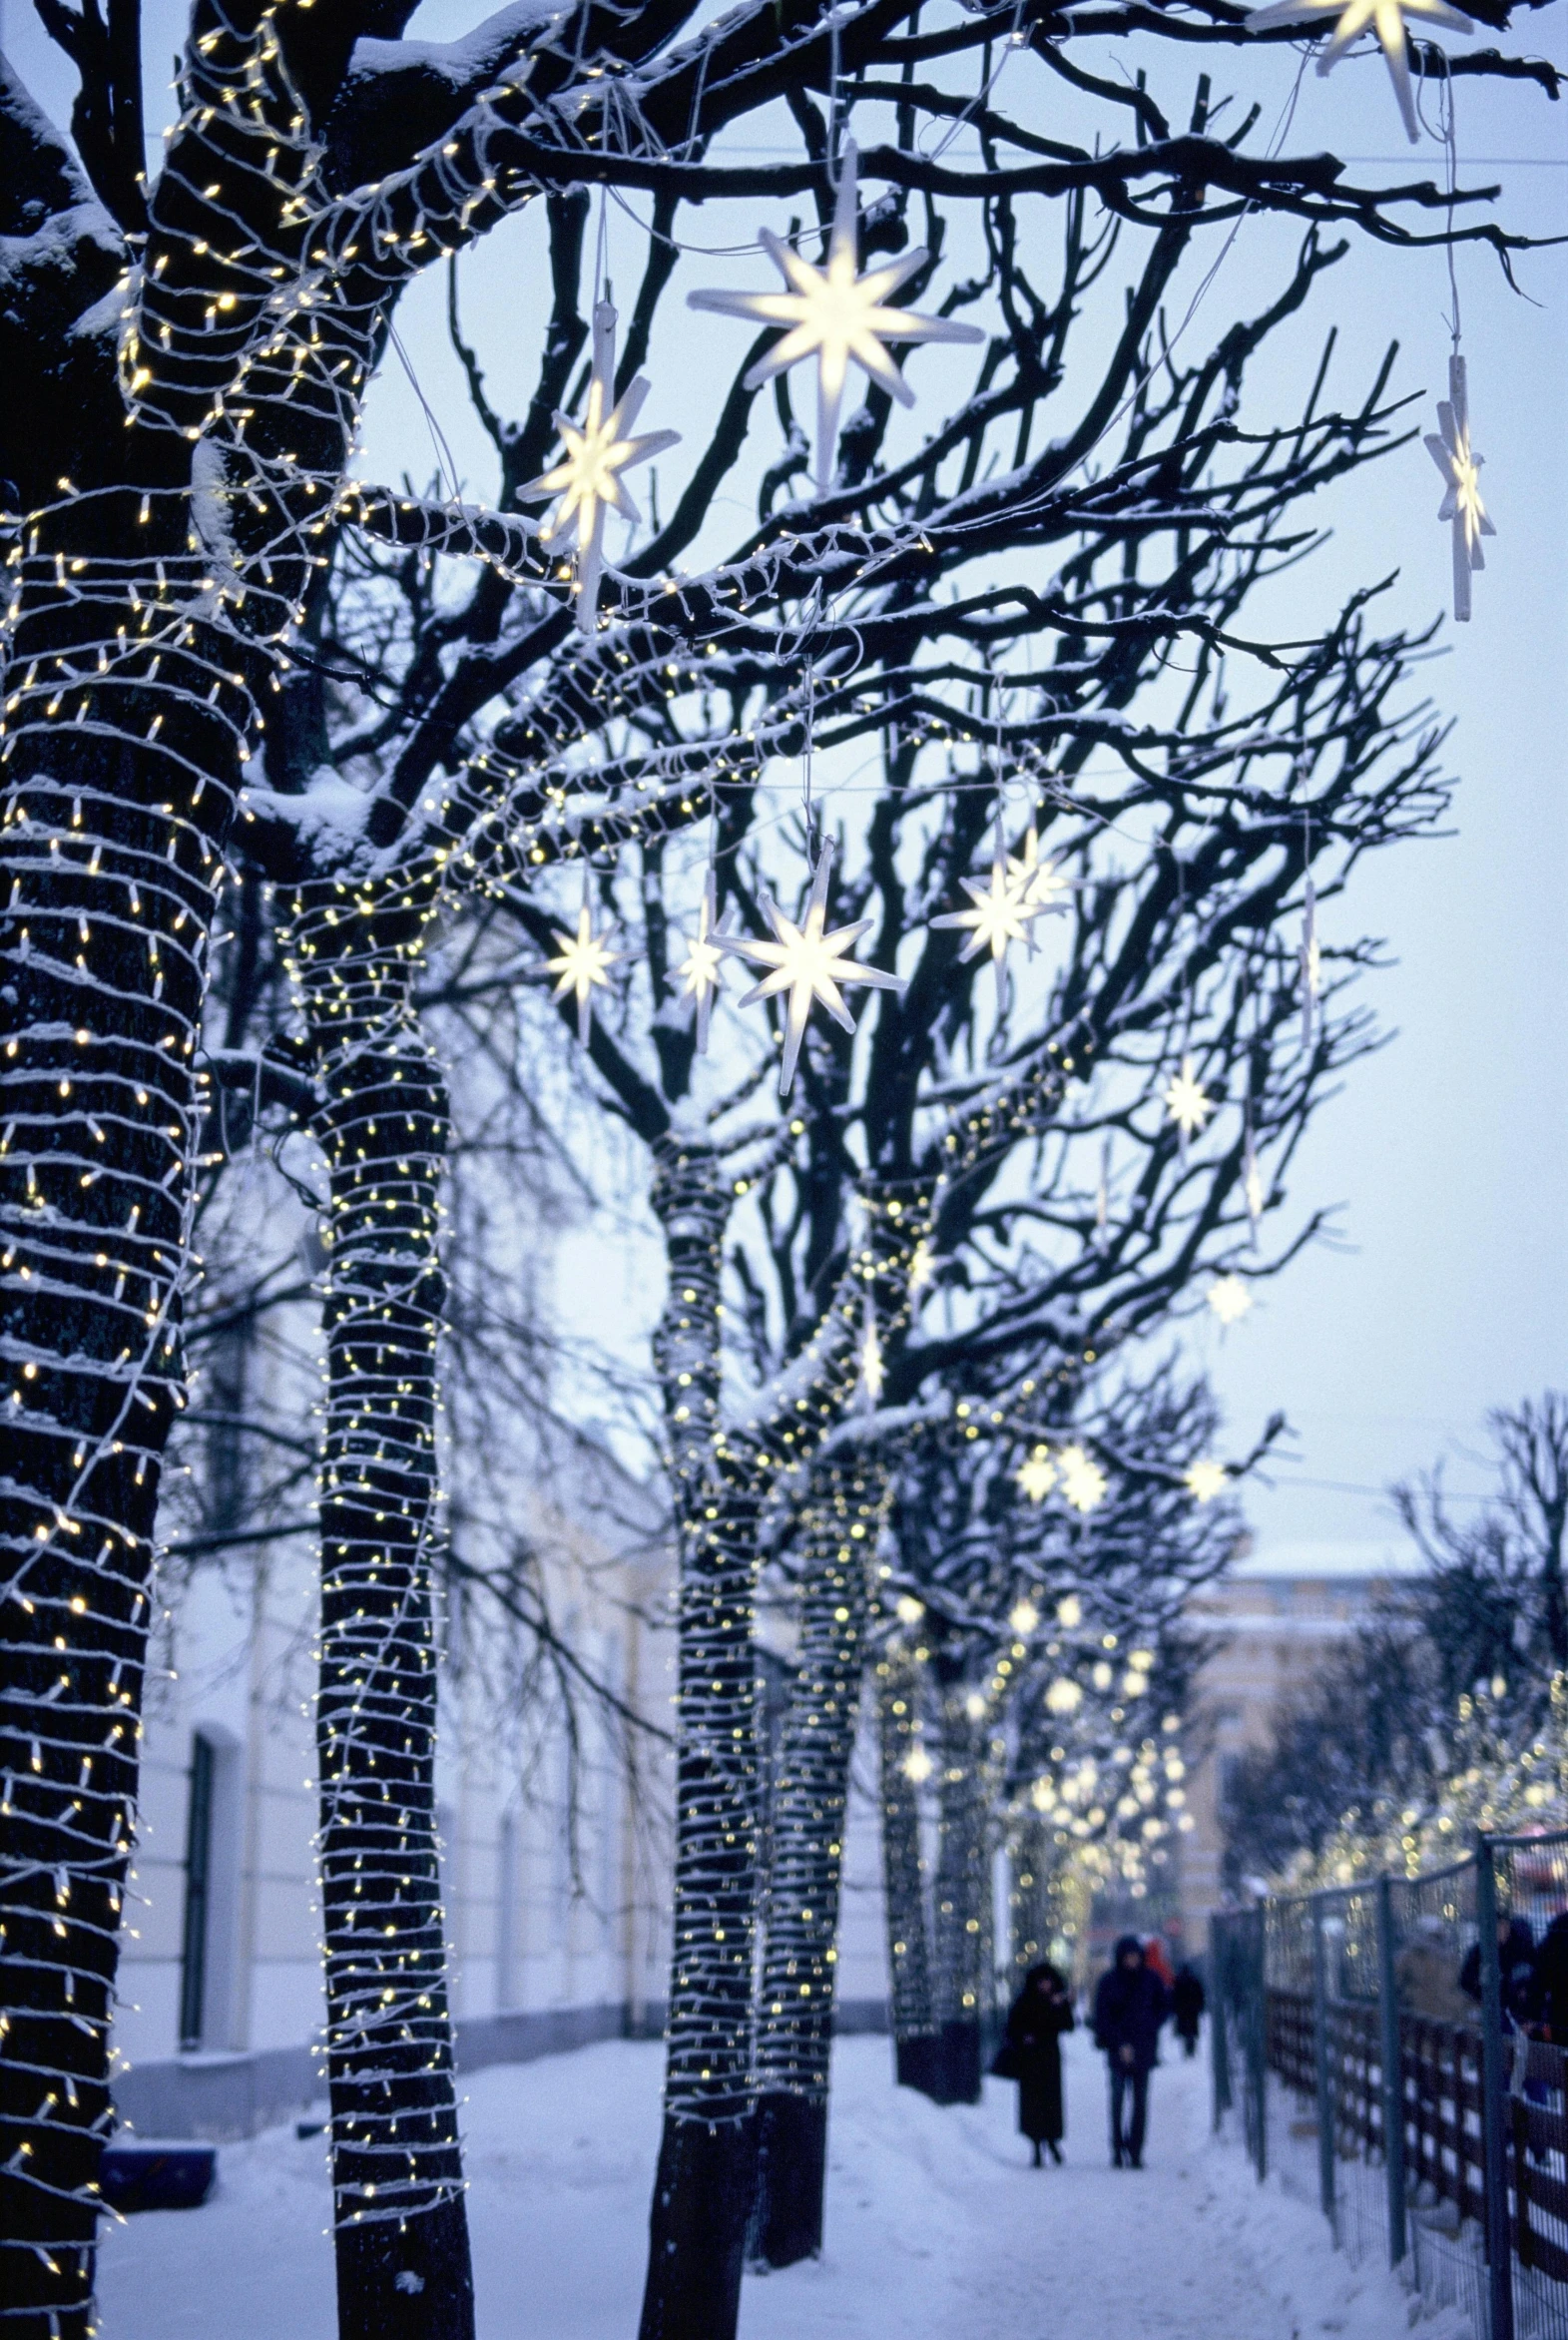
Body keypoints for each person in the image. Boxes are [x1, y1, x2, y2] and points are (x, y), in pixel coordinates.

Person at [1093, 1934, 1170, 2168]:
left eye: (1135, 1957)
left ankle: (1135, 2150)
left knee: (1139, 2102)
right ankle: (1117, 2148)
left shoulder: (1151, 1980)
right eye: (1128, 1957)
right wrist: (1119, 2043)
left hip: (1143, 2048)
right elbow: (1102, 2016)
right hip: (1118, 2050)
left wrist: (1149, 2029)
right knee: (1117, 2101)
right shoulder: (1109, 1982)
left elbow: (1164, 2007)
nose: (1132, 1961)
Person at [1001, 1962, 1076, 2167]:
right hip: (1030, 2060)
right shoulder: (1025, 2002)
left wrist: (1061, 2006)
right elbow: (1012, 2028)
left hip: (1050, 2058)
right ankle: (1036, 2146)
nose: (1045, 1986)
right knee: (1033, 2104)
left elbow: (1067, 2025)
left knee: (1051, 2102)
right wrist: (1024, 2037)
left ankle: (1051, 2141)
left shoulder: (1056, 2002)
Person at [1458, 1914, 1535, 2026]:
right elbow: (1466, 1980)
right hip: (1492, 2007)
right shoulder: (1480, 1951)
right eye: (1496, 1927)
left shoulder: (1522, 1947)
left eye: (1503, 1926)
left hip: (1521, 2010)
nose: (1500, 1930)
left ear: (1508, 1925)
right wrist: (1482, 1995)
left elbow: (1535, 1975)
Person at [1172, 1962, 1206, 2057]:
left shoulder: (1178, 1980)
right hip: (1192, 2009)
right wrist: (1200, 2006)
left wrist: (1175, 2008)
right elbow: (1200, 1994)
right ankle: (1191, 2049)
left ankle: (1188, 2049)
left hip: (1182, 2010)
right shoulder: (1194, 1980)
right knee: (1191, 2031)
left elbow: (1174, 1995)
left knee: (1186, 2031)